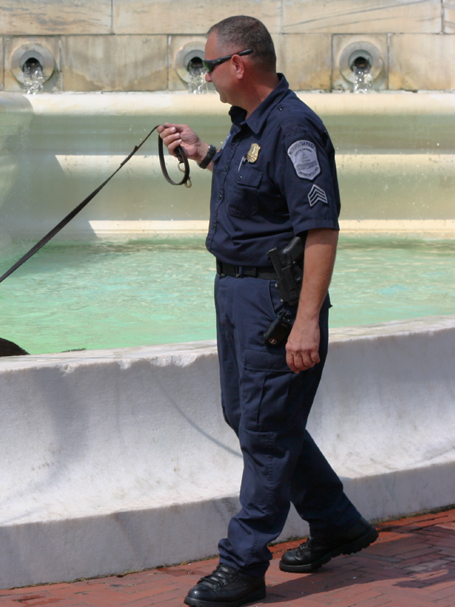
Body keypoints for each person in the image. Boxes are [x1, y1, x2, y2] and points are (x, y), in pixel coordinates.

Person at [158, 15, 378, 607]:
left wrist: (306, 321)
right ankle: (335, 522)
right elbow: (260, 195)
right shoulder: (250, 126)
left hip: (274, 303)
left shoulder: (293, 128)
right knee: (250, 416)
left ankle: (244, 563)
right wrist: (204, 154)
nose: (204, 76)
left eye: (208, 65)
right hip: (237, 294)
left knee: (265, 430)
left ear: (238, 64)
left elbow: (321, 229)